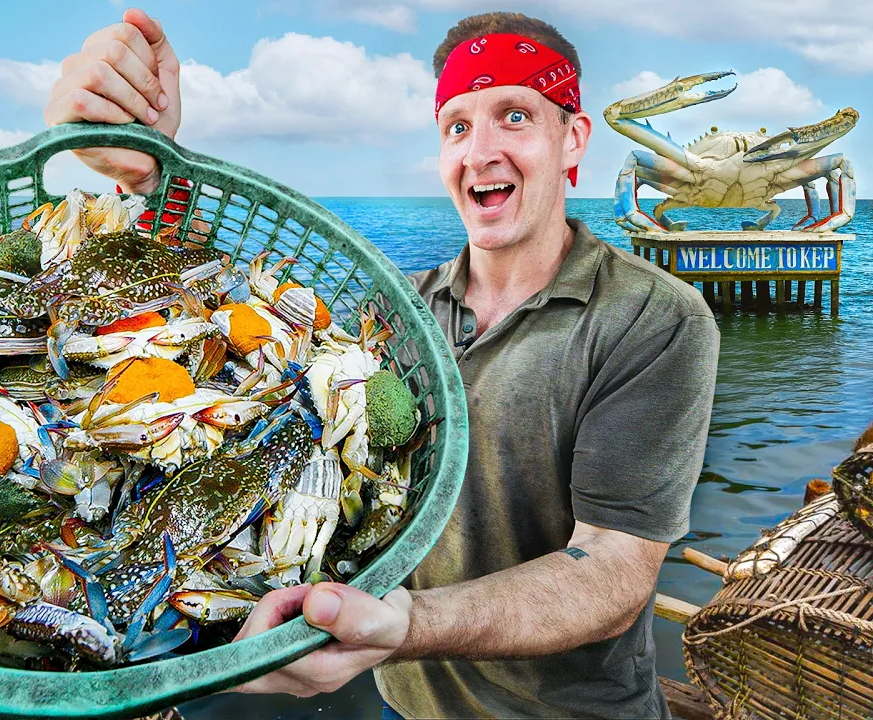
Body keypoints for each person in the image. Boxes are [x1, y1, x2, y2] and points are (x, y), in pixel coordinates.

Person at [45, 8, 720, 719]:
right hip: (407, 704)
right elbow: (239, 337)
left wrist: (405, 626)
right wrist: (156, 175)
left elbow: (612, 570)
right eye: (458, 125)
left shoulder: (653, 317)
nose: (480, 150)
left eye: (514, 116)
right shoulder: (398, 311)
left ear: (572, 137)